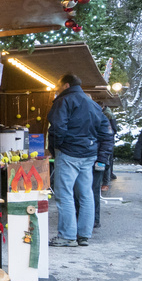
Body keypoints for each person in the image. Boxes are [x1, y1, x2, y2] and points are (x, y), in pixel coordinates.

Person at [47, 74, 112, 247]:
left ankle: (67, 236)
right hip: (89, 154)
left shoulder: (64, 101)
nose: (56, 89)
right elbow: (106, 133)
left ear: (66, 85)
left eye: (58, 86)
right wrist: (100, 155)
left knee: (64, 195)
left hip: (69, 153)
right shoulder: (93, 104)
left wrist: (57, 147)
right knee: (86, 194)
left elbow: (58, 127)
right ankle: (84, 235)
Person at [75, 111, 114, 229]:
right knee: (86, 190)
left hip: (94, 160)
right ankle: (84, 218)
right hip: (87, 158)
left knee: (92, 190)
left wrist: (102, 159)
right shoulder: (99, 118)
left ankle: (93, 219)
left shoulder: (100, 119)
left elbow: (107, 140)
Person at [100, 105, 119, 189]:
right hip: (106, 141)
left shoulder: (107, 115)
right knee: (106, 161)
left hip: (104, 141)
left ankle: (105, 182)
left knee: (105, 162)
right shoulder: (107, 114)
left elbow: (113, 129)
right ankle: (105, 182)